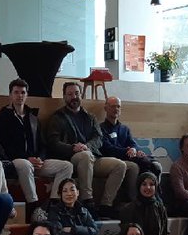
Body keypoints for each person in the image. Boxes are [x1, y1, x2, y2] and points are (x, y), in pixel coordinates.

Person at [45, 81, 131, 218]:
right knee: (85, 156)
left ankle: (105, 205)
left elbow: (99, 138)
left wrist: (88, 146)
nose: (74, 96)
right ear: (64, 97)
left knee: (120, 165)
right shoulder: (57, 118)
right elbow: (53, 143)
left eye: (77, 93)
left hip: (92, 156)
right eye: (70, 94)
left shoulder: (90, 117)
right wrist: (73, 147)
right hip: (71, 158)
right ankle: (87, 200)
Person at [0, 78, 73, 206]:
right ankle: (33, 204)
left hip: (35, 161)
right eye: (16, 92)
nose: (20, 96)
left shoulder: (32, 117)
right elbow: (2, 146)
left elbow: (42, 143)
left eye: (23, 92)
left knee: (67, 166)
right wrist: (27, 158)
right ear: (11, 95)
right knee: (25, 164)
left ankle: (54, 203)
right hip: (15, 160)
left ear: (27, 95)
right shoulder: (3, 117)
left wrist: (39, 159)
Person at [99, 96, 160, 178]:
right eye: (113, 106)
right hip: (114, 159)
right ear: (106, 108)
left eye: (118, 106)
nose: (116, 109)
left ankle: (152, 188)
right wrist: (128, 151)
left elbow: (133, 144)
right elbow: (108, 148)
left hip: (130, 156)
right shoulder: (101, 128)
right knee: (146, 164)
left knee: (155, 164)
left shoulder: (125, 129)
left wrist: (134, 149)